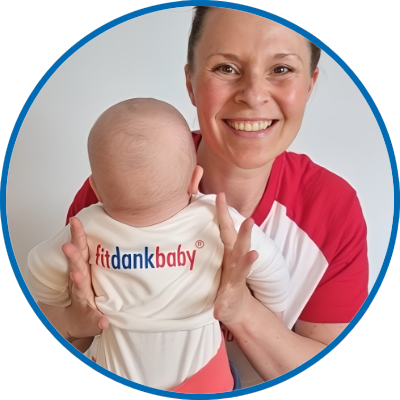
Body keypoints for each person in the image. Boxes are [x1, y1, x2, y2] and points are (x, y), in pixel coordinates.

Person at [36, 6, 368, 390]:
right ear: (191, 83)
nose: (253, 95)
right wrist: (73, 325)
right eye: (226, 68)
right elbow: (63, 326)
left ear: (309, 86)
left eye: (281, 69)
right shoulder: (118, 185)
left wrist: (242, 311)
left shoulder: (333, 208)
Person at [26, 98, 290, 392]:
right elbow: (270, 264)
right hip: (206, 380)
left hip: (117, 370)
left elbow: (37, 265)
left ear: (96, 189)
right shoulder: (215, 216)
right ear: (195, 179)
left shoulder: (87, 225)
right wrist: (275, 307)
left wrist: (60, 301)